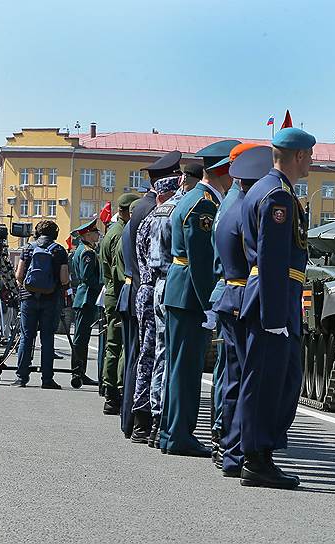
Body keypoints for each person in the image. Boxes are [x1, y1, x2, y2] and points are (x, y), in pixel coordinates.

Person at [238, 127, 313, 489]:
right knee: (268, 382)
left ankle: (260, 454)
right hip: (274, 299)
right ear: (298, 156)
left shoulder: (268, 189)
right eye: (309, 155)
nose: (312, 161)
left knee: (279, 380)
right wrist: (273, 317)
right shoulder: (277, 197)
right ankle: (256, 457)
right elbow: (270, 259)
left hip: (278, 297)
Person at [160, 145, 232, 457]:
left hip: (182, 291)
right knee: (186, 369)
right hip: (191, 294)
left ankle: (170, 431)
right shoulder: (203, 204)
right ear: (225, 170)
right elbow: (202, 261)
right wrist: (210, 305)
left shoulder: (196, 199)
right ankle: (179, 435)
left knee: (179, 366)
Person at [214, 144, 272, 477]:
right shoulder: (250, 209)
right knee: (250, 381)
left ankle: (232, 451)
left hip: (230, 295)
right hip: (243, 299)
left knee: (234, 380)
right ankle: (242, 452)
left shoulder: (231, 207)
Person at [120, 151, 177, 438]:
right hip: (153, 287)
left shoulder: (140, 212)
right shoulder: (153, 213)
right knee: (154, 356)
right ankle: (146, 420)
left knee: (143, 356)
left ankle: (137, 420)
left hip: (141, 288)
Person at [202, 140, 252, 466]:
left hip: (225, 290)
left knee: (226, 369)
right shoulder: (239, 203)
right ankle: (223, 433)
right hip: (235, 290)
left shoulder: (228, 202)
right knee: (231, 372)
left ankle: (221, 434)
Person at [146, 162, 202, 448]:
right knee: (171, 358)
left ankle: (157, 420)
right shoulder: (185, 206)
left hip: (157, 282)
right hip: (174, 281)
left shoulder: (160, 210)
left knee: (160, 354)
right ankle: (164, 420)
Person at [12, 220, 70, 388]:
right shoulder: (59, 250)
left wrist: (27, 289)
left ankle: (21, 377)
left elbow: (19, 275)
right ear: (55, 234)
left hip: (28, 299)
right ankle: (47, 379)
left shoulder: (28, 248)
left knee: (26, 337)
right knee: (47, 338)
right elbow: (64, 279)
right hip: (51, 300)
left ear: (37, 233)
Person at [99, 193, 138, 414]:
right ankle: (117, 390)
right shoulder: (121, 234)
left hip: (111, 292)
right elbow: (121, 272)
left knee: (112, 345)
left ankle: (110, 390)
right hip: (120, 291)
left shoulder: (111, 232)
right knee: (122, 345)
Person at [69, 219, 102, 387]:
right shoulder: (87, 252)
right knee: (81, 338)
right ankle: (78, 372)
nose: (98, 234)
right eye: (95, 232)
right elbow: (88, 277)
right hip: (86, 298)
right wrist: (102, 285)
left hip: (85, 297)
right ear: (87, 234)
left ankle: (79, 371)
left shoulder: (85, 249)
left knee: (83, 337)